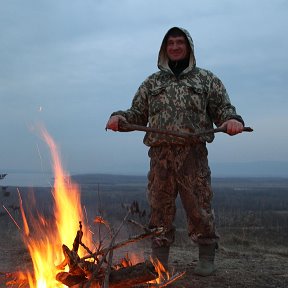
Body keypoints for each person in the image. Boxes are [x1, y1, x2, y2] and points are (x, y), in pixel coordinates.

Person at [106, 27, 244, 276]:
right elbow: (136, 113)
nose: (175, 47)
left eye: (180, 42)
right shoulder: (152, 82)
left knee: (200, 207)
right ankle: (159, 264)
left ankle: (206, 260)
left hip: (193, 155)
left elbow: (224, 110)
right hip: (160, 157)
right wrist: (119, 117)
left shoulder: (206, 80)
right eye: (170, 43)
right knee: (159, 209)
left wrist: (233, 121)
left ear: (188, 47)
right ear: (164, 49)